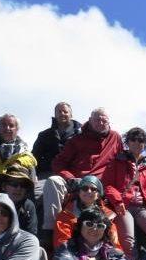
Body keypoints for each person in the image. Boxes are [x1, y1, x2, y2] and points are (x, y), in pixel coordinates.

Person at [42, 108, 122, 240]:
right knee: (53, 181)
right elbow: (58, 163)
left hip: (99, 184)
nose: (101, 123)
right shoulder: (77, 139)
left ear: (109, 122)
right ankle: (50, 230)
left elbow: (121, 161)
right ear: (90, 121)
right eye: (97, 120)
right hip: (76, 181)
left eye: (104, 120)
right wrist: (71, 178)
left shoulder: (115, 137)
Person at [102, 127, 146, 260]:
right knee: (128, 241)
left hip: (142, 208)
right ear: (127, 142)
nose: (137, 143)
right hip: (123, 206)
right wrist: (117, 201)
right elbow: (107, 185)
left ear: (145, 143)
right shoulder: (117, 161)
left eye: (141, 140)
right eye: (133, 139)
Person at [52, 175, 119, 251]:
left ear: (98, 195)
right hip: (75, 254)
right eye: (84, 188)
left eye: (93, 189)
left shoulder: (107, 215)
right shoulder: (66, 214)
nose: (89, 191)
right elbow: (62, 243)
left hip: (102, 253)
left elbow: (115, 242)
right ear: (79, 192)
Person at [31, 102, 82, 180]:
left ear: (71, 115)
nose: (62, 114)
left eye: (65, 112)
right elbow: (34, 157)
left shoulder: (81, 134)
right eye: (59, 112)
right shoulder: (44, 135)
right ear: (55, 115)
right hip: (48, 174)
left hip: (75, 174)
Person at [0, 165, 39, 235]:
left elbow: (31, 234)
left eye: (23, 185)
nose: (19, 188)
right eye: (14, 184)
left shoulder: (28, 206)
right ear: (3, 186)